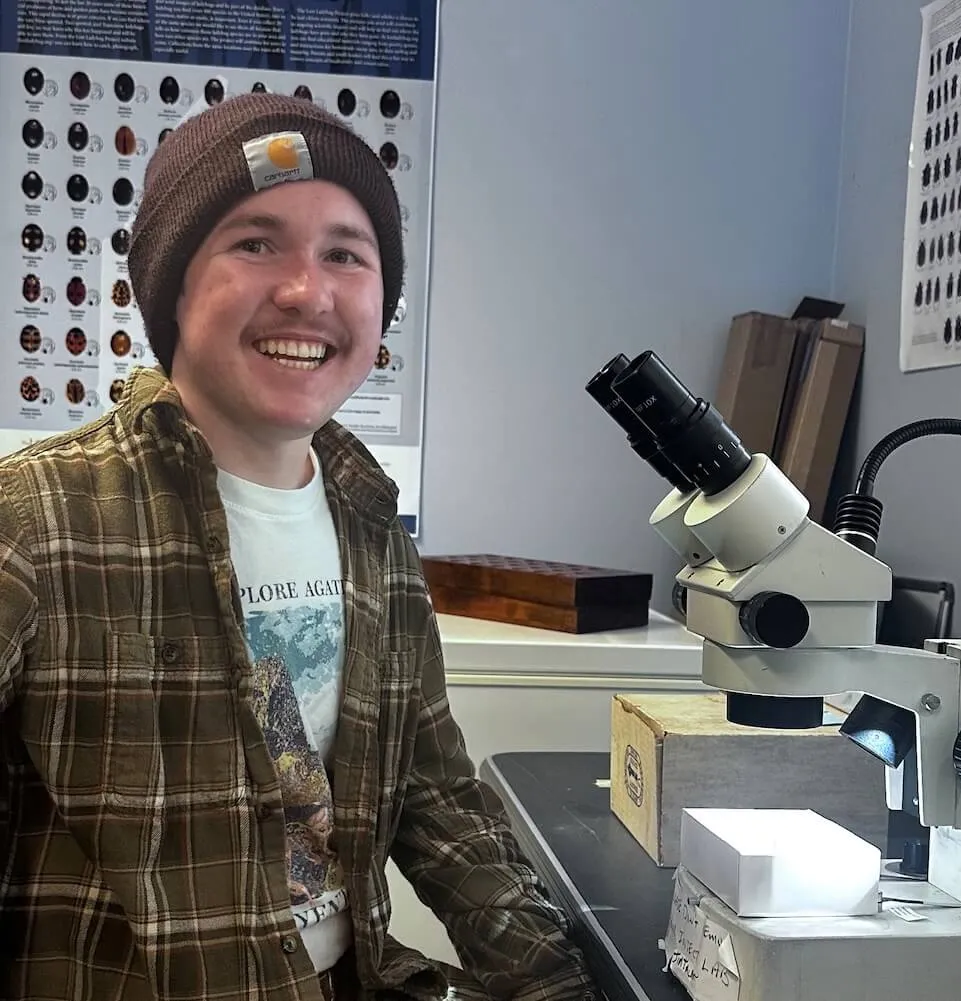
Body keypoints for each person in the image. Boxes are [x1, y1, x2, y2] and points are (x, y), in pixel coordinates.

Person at [0, 93, 598, 1001]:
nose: (305, 290)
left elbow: (439, 803)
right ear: (174, 284)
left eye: (344, 255)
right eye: (255, 242)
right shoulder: (38, 517)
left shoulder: (372, 531)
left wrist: (557, 984)